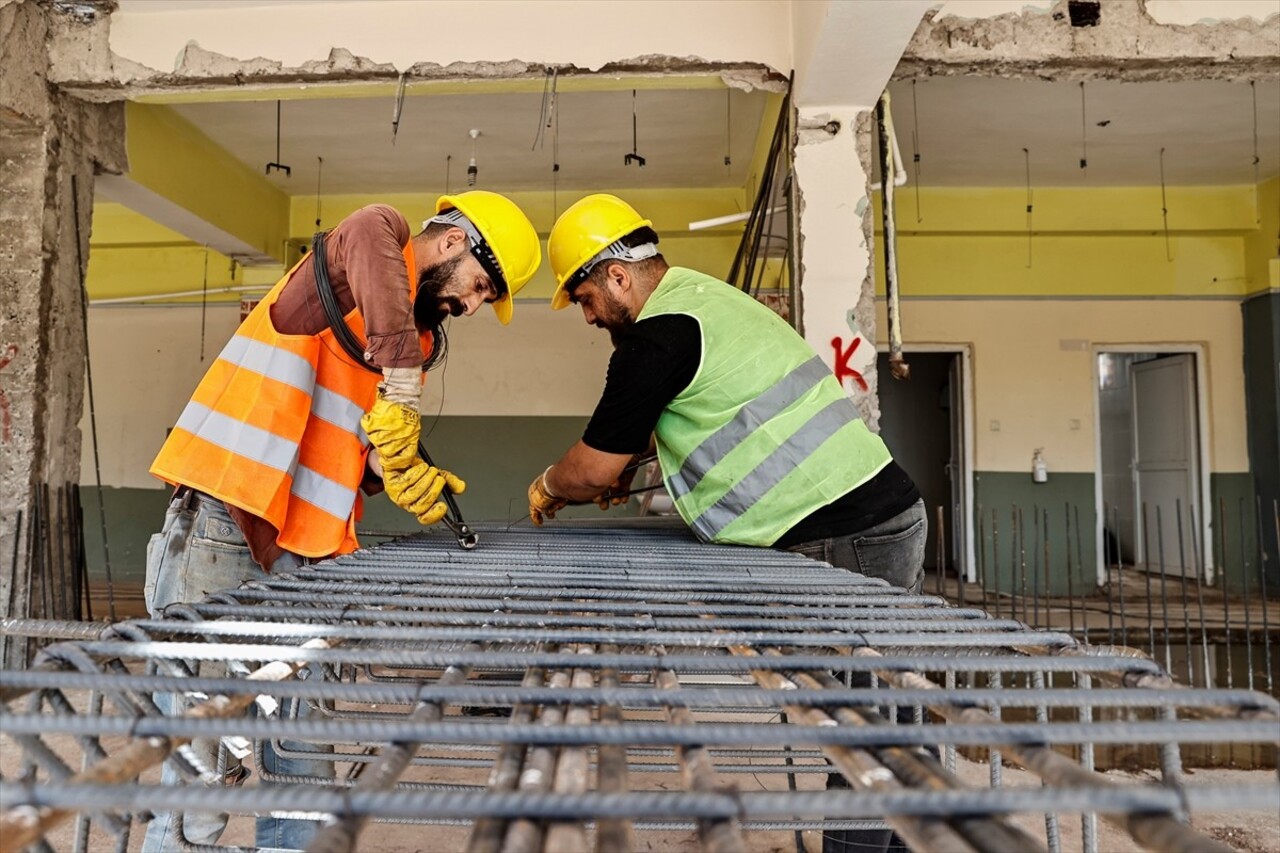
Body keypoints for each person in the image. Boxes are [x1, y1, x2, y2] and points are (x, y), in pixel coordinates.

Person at [526, 194, 925, 853]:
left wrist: (546, 485)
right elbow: (719, 410)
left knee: (857, 731)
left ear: (618, 276)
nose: (590, 315)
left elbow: (591, 469)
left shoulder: (653, 339)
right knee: (891, 715)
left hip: (848, 533)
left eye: (587, 298)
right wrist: (637, 461)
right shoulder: (707, 300)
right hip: (884, 515)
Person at [142, 191, 540, 852]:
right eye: (478, 286)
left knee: (303, 765)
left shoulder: (407, 340)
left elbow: (351, 443)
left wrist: (395, 472)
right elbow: (368, 228)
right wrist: (404, 381)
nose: (470, 305)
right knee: (197, 766)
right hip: (225, 523)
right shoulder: (353, 261)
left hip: (308, 557)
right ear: (451, 241)